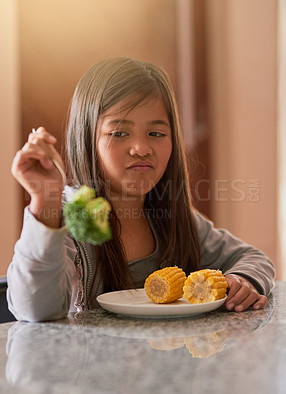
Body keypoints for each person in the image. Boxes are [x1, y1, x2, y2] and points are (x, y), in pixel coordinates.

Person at [7, 57, 275, 322]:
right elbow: (35, 309)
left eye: (156, 134)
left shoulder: (174, 219)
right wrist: (45, 200)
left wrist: (243, 279)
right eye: (120, 133)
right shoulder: (67, 219)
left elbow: (253, 257)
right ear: (88, 138)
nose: (141, 148)